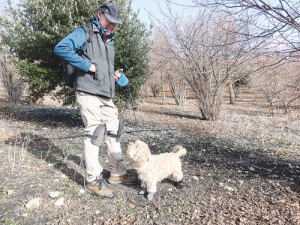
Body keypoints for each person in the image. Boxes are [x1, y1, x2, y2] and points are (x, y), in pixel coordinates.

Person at [54, 2, 137, 199]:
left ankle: (117, 173)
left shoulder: (110, 40)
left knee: (115, 130)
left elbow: (101, 66)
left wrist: (113, 74)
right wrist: (87, 66)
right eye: (109, 21)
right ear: (99, 14)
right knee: (94, 132)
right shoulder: (85, 32)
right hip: (88, 90)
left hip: (106, 93)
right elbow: (61, 48)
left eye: (115, 23)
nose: (112, 26)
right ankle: (93, 180)